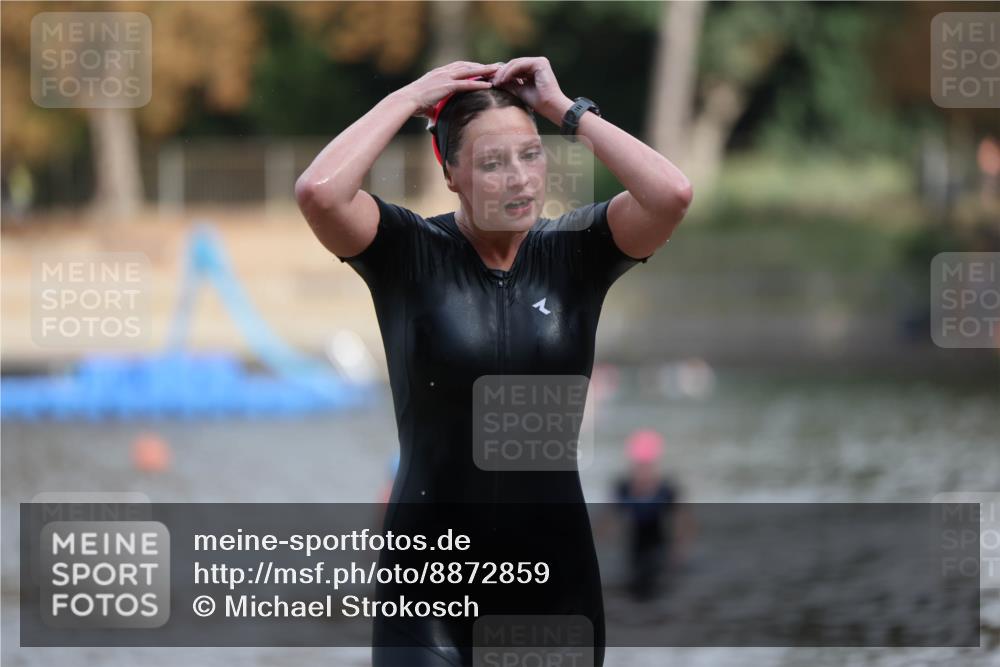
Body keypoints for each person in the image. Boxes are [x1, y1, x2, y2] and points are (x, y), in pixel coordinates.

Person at [296, 57, 692, 667]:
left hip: (553, 594)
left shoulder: (575, 254)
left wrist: (566, 110)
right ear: (449, 170)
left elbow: (671, 194)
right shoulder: (408, 254)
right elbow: (320, 193)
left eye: (531, 155)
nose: (520, 179)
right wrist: (409, 97)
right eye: (491, 163)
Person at [612, 429, 692, 602]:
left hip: (659, 545)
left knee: (655, 584)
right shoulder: (623, 487)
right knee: (635, 586)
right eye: (639, 466)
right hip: (635, 546)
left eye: (647, 466)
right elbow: (612, 518)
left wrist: (679, 550)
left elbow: (681, 521)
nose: (643, 471)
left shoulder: (667, 489)